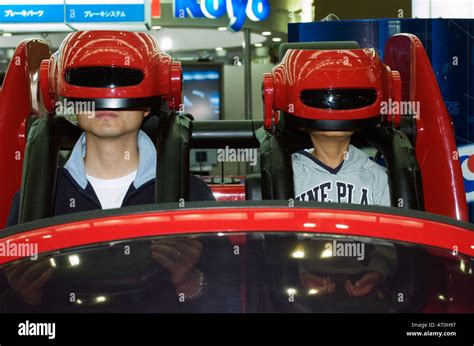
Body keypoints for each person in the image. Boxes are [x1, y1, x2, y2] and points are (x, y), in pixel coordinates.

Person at [1, 31, 237, 312]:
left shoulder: (192, 194)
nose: (106, 98)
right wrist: (25, 296)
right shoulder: (35, 202)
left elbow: (229, 296)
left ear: (149, 104)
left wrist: (189, 281)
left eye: (122, 84)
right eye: (92, 83)